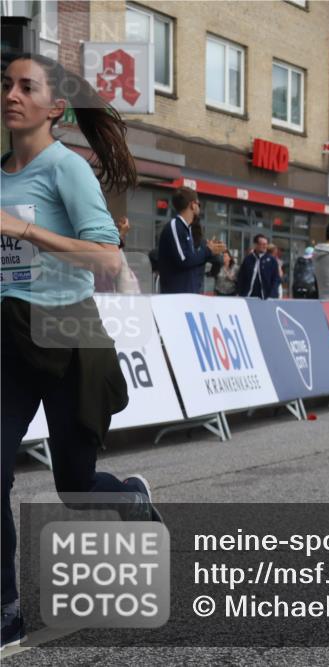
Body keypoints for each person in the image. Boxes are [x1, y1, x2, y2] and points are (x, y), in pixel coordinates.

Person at [1, 53, 161, 647]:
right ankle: (6, 608)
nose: (11, 95)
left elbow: (107, 257)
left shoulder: (66, 169)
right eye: (6, 85)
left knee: (74, 485)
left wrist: (22, 229)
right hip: (9, 338)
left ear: (56, 107)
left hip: (68, 335)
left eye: (27, 86)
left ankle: (131, 501)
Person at [156, 186, 225, 294]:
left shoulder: (186, 229)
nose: (199, 207)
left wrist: (209, 252)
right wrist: (207, 250)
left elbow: (192, 260)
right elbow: (184, 260)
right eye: (198, 204)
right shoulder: (175, 226)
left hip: (188, 294)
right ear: (192, 205)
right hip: (176, 295)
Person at [236, 233, 280, 299]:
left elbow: (276, 278)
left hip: (266, 297)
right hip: (248, 295)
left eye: (266, 244)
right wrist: (239, 292)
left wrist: (272, 294)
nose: (265, 246)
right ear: (256, 245)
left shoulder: (272, 260)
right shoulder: (248, 259)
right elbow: (241, 277)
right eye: (263, 244)